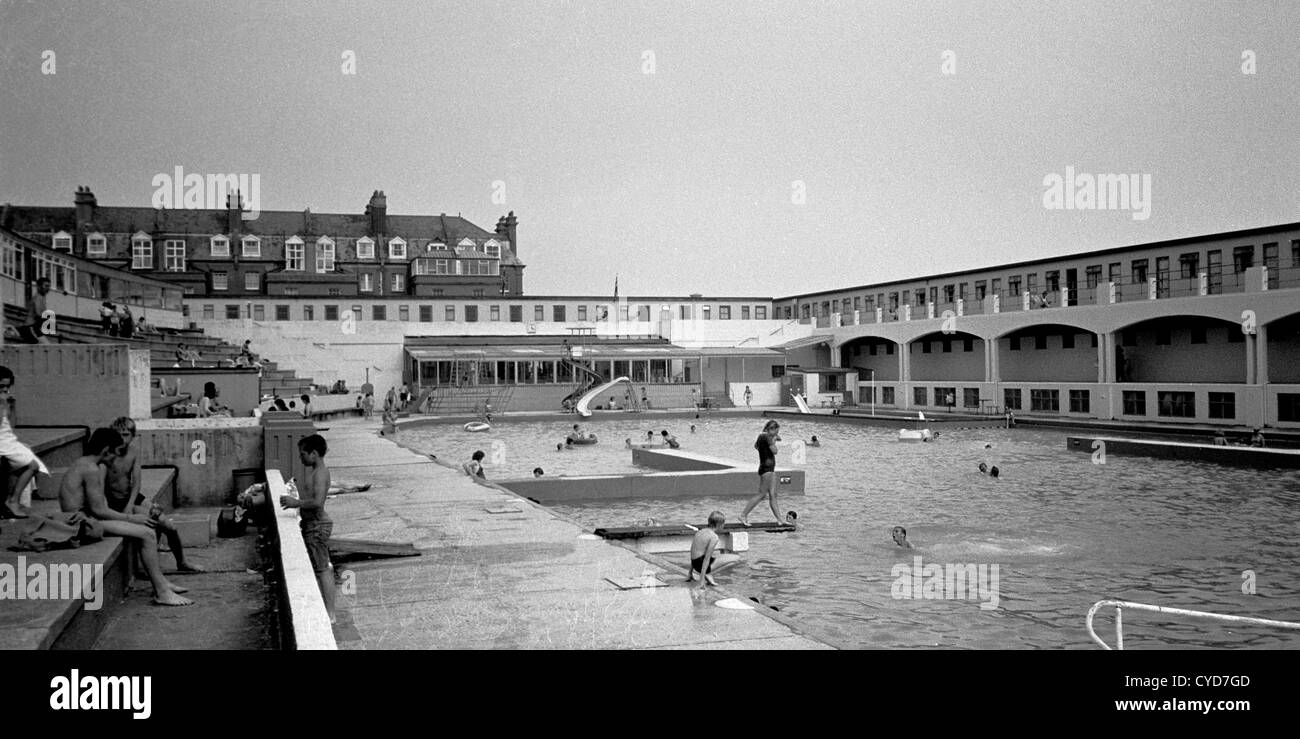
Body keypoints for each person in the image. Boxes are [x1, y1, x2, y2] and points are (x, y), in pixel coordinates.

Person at [60, 428, 192, 606]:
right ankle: (162, 592)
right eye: (116, 452)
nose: (116, 458)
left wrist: (129, 516)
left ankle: (162, 584)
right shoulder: (90, 469)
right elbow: (99, 511)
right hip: (81, 525)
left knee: (146, 528)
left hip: (86, 518)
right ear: (106, 450)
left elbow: (99, 508)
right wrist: (130, 519)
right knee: (147, 534)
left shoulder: (85, 463)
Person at [105, 417, 202, 573]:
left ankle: (182, 562)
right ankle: (147, 566)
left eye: (125, 435)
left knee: (169, 525)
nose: (121, 439)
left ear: (133, 436)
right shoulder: (107, 454)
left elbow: (136, 482)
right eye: (118, 435)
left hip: (130, 496)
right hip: (112, 500)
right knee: (150, 524)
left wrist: (130, 505)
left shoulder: (133, 452)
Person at [279, 434, 335, 623]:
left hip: (318, 525)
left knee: (323, 569)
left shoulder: (320, 473)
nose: (301, 458)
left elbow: (318, 502)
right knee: (320, 567)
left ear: (314, 453)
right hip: (313, 525)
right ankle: (326, 611)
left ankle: (330, 615)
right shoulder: (316, 472)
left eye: (303, 454)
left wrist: (296, 502)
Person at [0, 367, 48, 519]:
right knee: (32, 465)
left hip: (7, 439)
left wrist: (11, 408)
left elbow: (11, 425)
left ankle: (15, 500)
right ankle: (13, 501)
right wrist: (3, 406)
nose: (5, 389)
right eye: (1, 386)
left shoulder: (4, 401)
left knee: (30, 463)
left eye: (8, 386)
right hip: (2, 442)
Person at [739, 420, 782, 526]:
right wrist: (774, 439)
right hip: (767, 468)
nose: (777, 433)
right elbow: (775, 451)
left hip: (768, 468)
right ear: (771, 429)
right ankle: (743, 515)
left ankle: (780, 520)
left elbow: (756, 446)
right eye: (776, 431)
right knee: (762, 494)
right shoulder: (767, 437)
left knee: (772, 495)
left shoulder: (761, 437)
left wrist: (774, 437)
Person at [687, 511, 739, 589]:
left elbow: (693, 551)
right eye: (723, 523)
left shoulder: (700, 531)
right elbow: (706, 558)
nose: (724, 525)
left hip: (695, 564)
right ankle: (708, 574)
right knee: (736, 558)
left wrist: (690, 573)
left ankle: (705, 573)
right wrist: (701, 581)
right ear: (719, 524)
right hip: (701, 565)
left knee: (720, 556)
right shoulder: (713, 537)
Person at [19, 276, 53, 344]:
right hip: (30, 328)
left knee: (46, 347)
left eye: (49, 286)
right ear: (39, 286)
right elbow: (38, 314)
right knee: (47, 347)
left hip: (34, 328)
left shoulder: (42, 297)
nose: (48, 288)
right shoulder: (37, 297)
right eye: (46, 286)